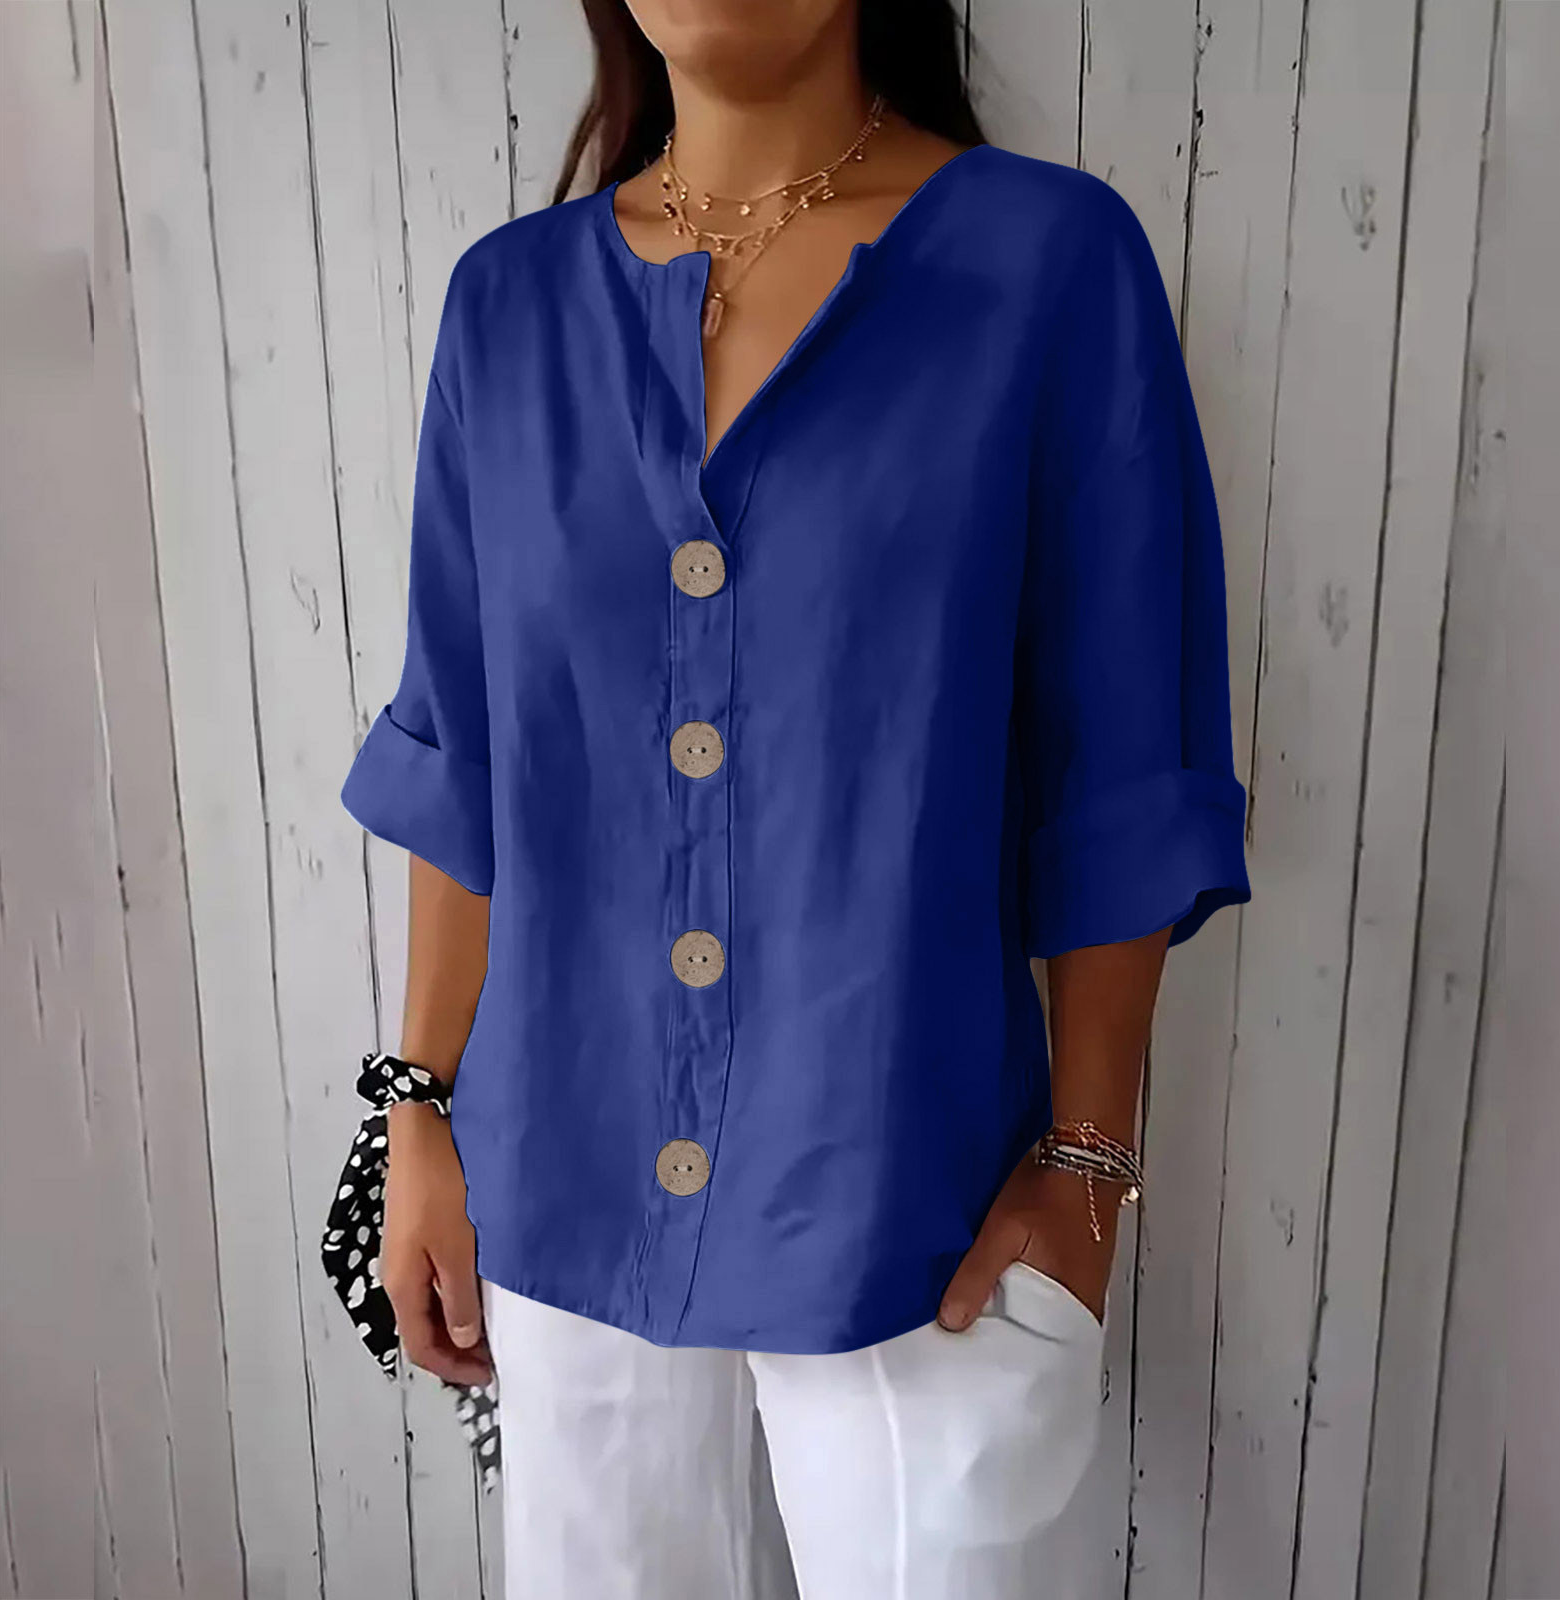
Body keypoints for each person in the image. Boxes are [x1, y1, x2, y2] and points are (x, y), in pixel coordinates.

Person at [337, 1, 1251, 1594]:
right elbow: (466, 753)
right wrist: (417, 1107)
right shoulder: (510, 308)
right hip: (562, 1184)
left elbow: (1121, 762)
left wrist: (1090, 1164)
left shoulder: (1050, 267)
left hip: (919, 1192)